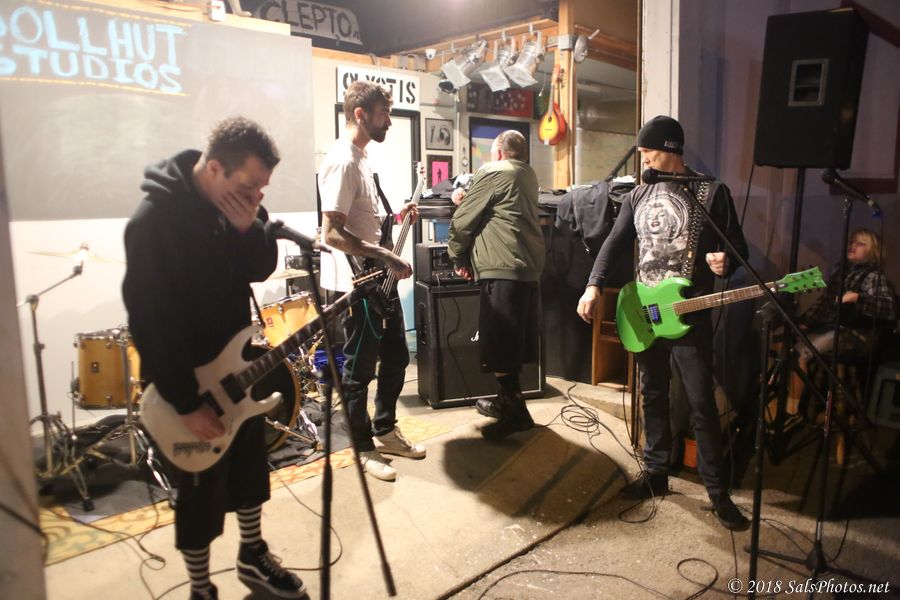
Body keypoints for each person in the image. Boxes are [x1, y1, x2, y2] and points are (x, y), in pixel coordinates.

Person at [122, 117, 308, 599]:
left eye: (262, 189)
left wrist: (247, 232)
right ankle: (201, 586)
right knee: (199, 492)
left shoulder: (240, 207)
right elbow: (149, 322)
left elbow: (260, 266)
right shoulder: (153, 222)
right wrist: (186, 403)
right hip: (185, 382)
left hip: (236, 369)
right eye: (249, 187)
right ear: (214, 169)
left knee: (249, 468)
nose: (256, 198)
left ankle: (252, 555)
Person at [576, 115, 750, 531]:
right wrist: (593, 285)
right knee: (651, 394)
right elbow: (615, 242)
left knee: (701, 402)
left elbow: (737, 247)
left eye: (648, 150)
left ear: (670, 149)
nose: (643, 158)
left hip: (689, 315)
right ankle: (655, 473)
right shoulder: (639, 194)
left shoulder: (711, 192)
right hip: (645, 313)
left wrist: (725, 262)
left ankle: (717, 493)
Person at [318, 80, 425, 482]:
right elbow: (331, 233)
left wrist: (396, 216)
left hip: (380, 280)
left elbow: (362, 219)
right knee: (359, 370)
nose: (389, 122)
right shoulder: (342, 160)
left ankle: (384, 429)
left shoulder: (361, 158)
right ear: (361, 114)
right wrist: (386, 255)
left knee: (396, 358)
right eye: (384, 114)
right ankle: (362, 446)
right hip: (358, 283)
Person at [447, 130, 545, 439]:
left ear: (500, 153)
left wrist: (457, 256)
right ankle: (507, 401)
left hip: (501, 268)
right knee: (511, 342)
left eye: (491, 154)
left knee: (499, 343)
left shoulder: (494, 171)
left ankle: (515, 412)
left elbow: (464, 221)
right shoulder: (528, 175)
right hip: (526, 269)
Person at [793, 229, 896, 400]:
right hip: (833, 328)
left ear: (872, 251)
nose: (853, 246)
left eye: (860, 244)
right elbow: (824, 303)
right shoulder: (842, 273)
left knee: (799, 353)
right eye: (852, 242)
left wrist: (858, 298)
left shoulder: (873, 277)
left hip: (855, 334)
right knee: (785, 343)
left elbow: (889, 308)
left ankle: (793, 407)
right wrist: (806, 322)